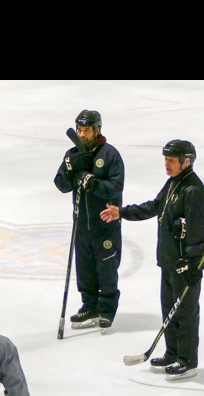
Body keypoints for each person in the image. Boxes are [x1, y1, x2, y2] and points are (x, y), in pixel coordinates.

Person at [100, 139, 204, 380]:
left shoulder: (193, 191)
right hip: (169, 261)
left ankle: (187, 360)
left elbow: (199, 233)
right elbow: (155, 206)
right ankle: (172, 352)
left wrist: (193, 263)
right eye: (165, 160)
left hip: (184, 266)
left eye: (171, 160)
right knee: (169, 309)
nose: (167, 165)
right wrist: (123, 212)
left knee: (185, 313)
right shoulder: (173, 184)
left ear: (186, 161)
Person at [54, 109, 125, 328]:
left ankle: (106, 309)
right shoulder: (72, 153)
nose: (82, 135)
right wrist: (71, 168)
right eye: (79, 130)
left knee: (106, 269)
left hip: (105, 225)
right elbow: (60, 184)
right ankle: (89, 305)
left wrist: (89, 180)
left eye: (86, 130)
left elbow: (115, 187)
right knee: (84, 268)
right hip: (81, 225)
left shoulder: (110, 155)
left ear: (97, 130)